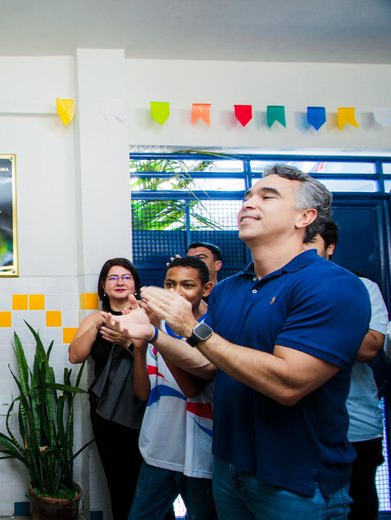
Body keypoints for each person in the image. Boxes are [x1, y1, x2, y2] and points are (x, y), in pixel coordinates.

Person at [110, 164, 370, 519]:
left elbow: (287, 383)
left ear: (304, 217)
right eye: (248, 195)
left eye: (267, 196)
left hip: (295, 480)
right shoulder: (231, 288)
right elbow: (205, 363)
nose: (248, 202)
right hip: (228, 467)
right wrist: (154, 334)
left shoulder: (331, 285)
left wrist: (191, 328)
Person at [304, 218, 389, 520]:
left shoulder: (364, 288)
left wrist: (313, 321)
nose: (303, 250)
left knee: (359, 504)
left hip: (356, 426)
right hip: (299, 430)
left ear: (330, 248)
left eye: (311, 243)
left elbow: (369, 349)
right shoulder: (281, 290)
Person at [127, 256, 217, 520]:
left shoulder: (212, 328)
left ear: (206, 289)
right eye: (169, 284)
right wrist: (140, 350)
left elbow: (192, 388)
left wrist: (156, 335)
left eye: (187, 285)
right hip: (160, 448)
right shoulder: (157, 324)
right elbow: (143, 393)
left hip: (202, 454)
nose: (176, 293)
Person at [68, 258, 153, 520]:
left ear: (135, 285)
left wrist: (129, 344)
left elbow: (163, 360)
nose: (119, 282)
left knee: (150, 484)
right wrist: (98, 323)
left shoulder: (148, 317)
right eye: (112, 278)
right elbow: (75, 356)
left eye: (126, 277)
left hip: (147, 410)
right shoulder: (94, 319)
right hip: (106, 413)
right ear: (103, 287)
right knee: (118, 481)